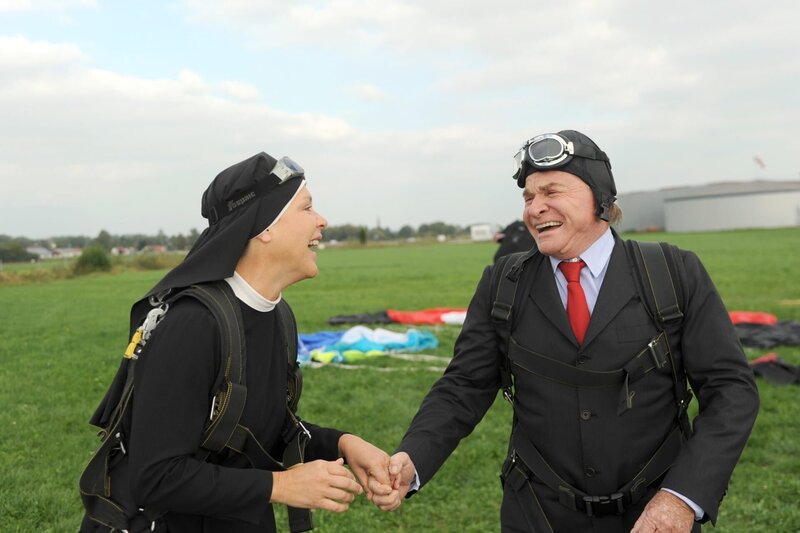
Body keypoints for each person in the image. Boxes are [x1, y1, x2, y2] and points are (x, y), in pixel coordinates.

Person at [370, 130, 759, 532]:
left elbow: (731, 390)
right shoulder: (504, 282)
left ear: (600, 199)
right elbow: (465, 384)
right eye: (528, 197)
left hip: (654, 515)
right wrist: (413, 457)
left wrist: (681, 498)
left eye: (551, 192)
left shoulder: (672, 273)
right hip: (537, 512)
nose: (535, 209)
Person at [80, 152, 392, 532]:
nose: (322, 221)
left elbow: (255, 431)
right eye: (308, 208)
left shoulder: (279, 316)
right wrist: (280, 484)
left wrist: (343, 444)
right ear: (266, 227)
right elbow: (156, 476)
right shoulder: (193, 324)